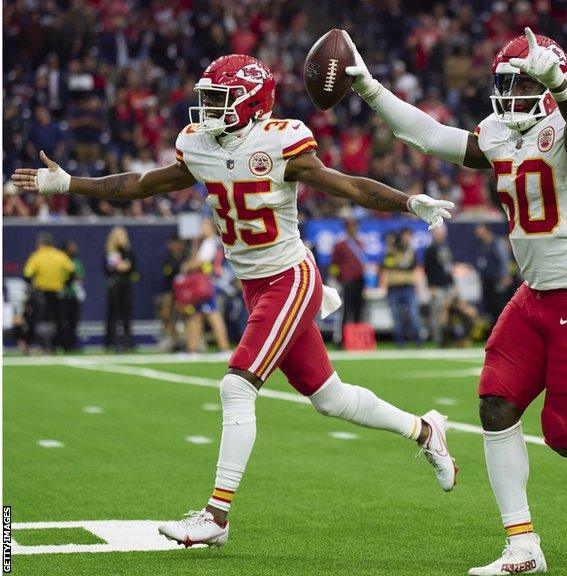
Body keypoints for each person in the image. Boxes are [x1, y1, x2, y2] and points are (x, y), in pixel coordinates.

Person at [12, 54, 457, 550]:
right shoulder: (199, 146)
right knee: (329, 398)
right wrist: (70, 183)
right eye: (206, 97)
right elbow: (140, 185)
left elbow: (347, 185)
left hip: (290, 278)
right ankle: (425, 431)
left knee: (236, 386)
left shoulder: (280, 141)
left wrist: (407, 203)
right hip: (256, 286)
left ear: (252, 103)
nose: (206, 108)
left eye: (218, 99)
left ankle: (217, 516)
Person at [345, 28, 567, 574]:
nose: (509, 95)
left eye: (522, 83)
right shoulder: (498, 131)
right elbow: (430, 135)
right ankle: (522, 545)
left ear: (547, 82)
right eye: (505, 83)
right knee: (495, 403)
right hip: (534, 294)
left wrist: (559, 82)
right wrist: (370, 88)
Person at [181, 219, 231, 353]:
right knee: (197, 315)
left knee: (213, 315)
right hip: (206, 284)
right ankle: (192, 349)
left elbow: (200, 261)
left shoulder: (210, 242)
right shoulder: (208, 242)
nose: (202, 227)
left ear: (212, 228)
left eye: (205, 225)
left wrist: (187, 266)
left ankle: (224, 348)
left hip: (208, 284)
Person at [22, 232, 74, 353]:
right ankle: (58, 345)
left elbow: (27, 274)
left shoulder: (37, 256)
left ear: (41, 243)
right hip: (57, 293)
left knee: (37, 321)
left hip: (41, 294)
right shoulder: (60, 255)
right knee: (58, 321)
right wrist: (65, 284)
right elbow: (72, 272)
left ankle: (36, 345)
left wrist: (32, 286)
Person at [381, 228, 424, 347]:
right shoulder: (392, 250)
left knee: (413, 314)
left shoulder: (411, 250)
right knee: (396, 315)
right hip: (394, 286)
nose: (406, 239)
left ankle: (418, 340)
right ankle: (400, 341)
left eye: (408, 236)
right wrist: (391, 248)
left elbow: (412, 266)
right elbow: (388, 264)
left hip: (408, 285)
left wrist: (400, 265)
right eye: (405, 236)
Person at [330, 218, 367, 332]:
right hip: (347, 280)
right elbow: (334, 263)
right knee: (346, 309)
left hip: (359, 279)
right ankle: (342, 337)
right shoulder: (340, 244)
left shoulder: (359, 242)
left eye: (355, 226)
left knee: (359, 308)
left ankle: (356, 337)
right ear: (346, 228)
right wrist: (337, 279)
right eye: (351, 226)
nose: (353, 229)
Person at [104, 226, 136, 352]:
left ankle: (127, 342)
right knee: (113, 314)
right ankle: (111, 342)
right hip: (114, 286)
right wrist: (121, 266)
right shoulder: (110, 251)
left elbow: (131, 267)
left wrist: (122, 266)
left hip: (126, 285)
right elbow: (111, 268)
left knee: (126, 314)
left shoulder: (128, 251)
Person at [424, 224, 455, 346]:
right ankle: (438, 340)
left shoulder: (446, 247)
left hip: (447, 285)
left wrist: (453, 283)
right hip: (437, 285)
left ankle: (447, 338)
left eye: (441, 233)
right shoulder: (430, 249)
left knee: (447, 312)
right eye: (438, 233)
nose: (440, 235)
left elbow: (448, 268)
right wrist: (431, 286)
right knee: (436, 313)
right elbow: (427, 269)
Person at [474, 223, 512, 324]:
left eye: (480, 231)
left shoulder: (497, 243)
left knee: (498, 306)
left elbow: (504, 260)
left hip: (497, 280)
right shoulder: (482, 245)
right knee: (489, 307)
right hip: (487, 282)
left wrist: (505, 276)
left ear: (487, 230)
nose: (478, 233)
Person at [61, 239, 85, 351]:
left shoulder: (76, 261)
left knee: (73, 321)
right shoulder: (61, 259)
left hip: (74, 294)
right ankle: (62, 344)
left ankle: (72, 344)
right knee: (62, 321)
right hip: (62, 294)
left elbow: (80, 277)